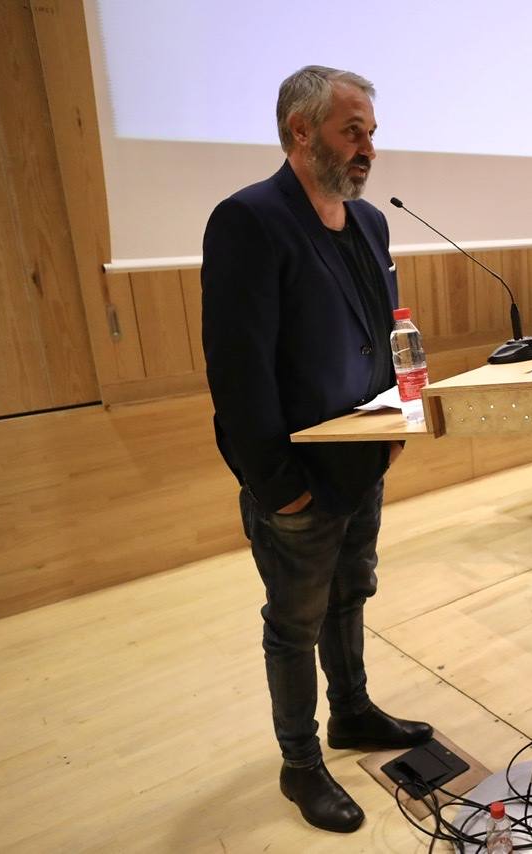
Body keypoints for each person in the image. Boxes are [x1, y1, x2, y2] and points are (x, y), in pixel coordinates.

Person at [202, 66, 432, 835]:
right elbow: (238, 375)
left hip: (365, 459)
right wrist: (277, 487)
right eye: (352, 130)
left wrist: (394, 429)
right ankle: (300, 764)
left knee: (351, 592)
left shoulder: (368, 223)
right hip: (296, 479)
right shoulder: (249, 220)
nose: (369, 147)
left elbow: (380, 338)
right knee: (293, 623)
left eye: (370, 130)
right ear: (301, 132)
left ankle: (354, 712)